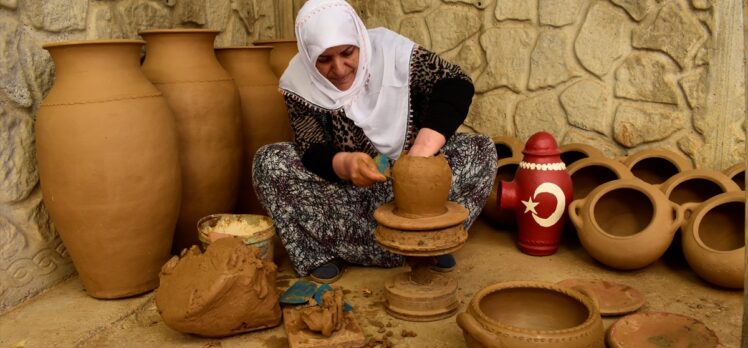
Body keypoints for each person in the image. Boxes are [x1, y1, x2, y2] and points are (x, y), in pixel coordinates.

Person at [253, 0, 496, 283]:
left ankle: (430, 237)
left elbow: (456, 84)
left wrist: (420, 153)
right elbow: (311, 146)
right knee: (269, 161)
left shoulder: (391, 53)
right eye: (324, 59)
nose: (340, 68)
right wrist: (345, 164)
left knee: (481, 149)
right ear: (309, 56)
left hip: (414, 188)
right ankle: (321, 252)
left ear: (359, 39)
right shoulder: (299, 82)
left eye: (347, 53)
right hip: (352, 197)